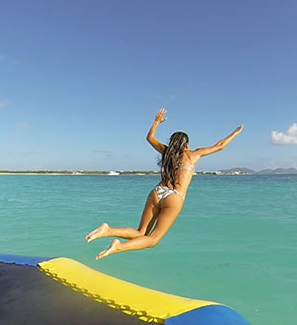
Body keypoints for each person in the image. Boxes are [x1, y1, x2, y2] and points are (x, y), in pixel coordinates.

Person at [86, 108, 243, 260]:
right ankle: (118, 246)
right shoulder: (192, 155)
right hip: (174, 197)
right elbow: (220, 146)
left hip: (157, 192)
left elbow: (149, 138)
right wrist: (235, 133)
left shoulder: (166, 152)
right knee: (153, 239)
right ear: (186, 145)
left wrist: (156, 122)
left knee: (141, 232)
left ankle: (107, 230)